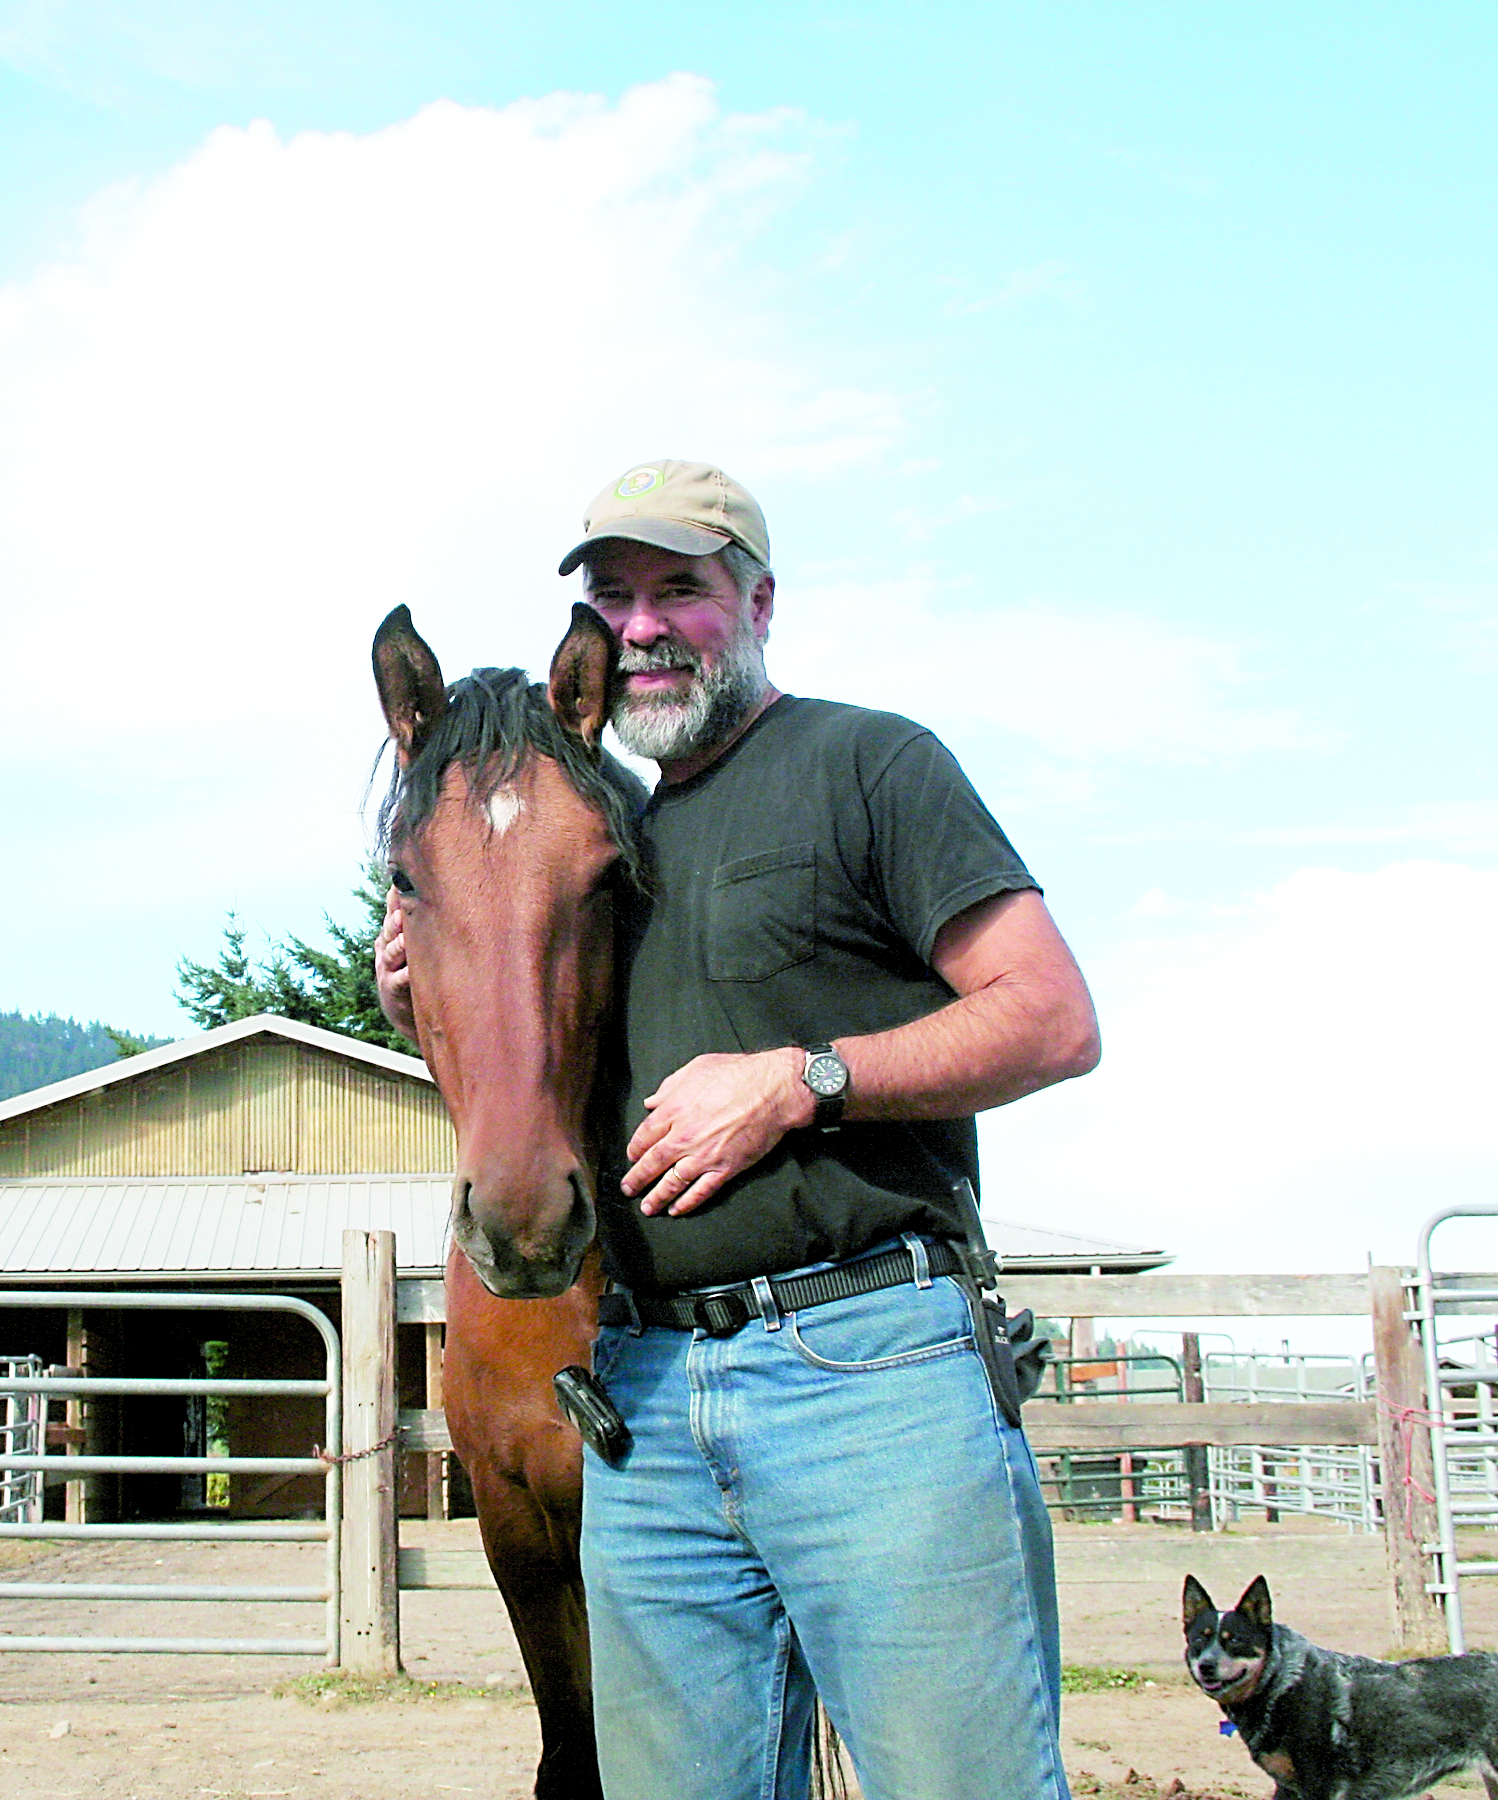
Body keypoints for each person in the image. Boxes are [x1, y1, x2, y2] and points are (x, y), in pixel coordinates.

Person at [378, 462, 1099, 1800]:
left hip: (868, 1365)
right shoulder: (597, 838)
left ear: (759, 601)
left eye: (682, 592)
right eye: (615, 597)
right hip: (650, 1391)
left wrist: (802, 1081)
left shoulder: (867, 763)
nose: (643, 625)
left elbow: (1052, 1019)